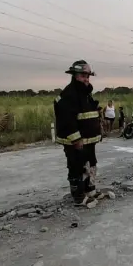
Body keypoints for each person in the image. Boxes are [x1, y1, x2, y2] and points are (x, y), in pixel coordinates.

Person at [54, 60, 102, 206]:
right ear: (74, 76)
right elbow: (67, 120)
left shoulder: (85, 93)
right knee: (76, 167)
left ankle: (90, 190)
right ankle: (79, 196)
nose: (86, 79)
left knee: (90, 164)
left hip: (88, 140)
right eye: (83, 76)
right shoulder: (69, 94)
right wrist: (76, 140)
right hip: (75, 141)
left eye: (87, 76)